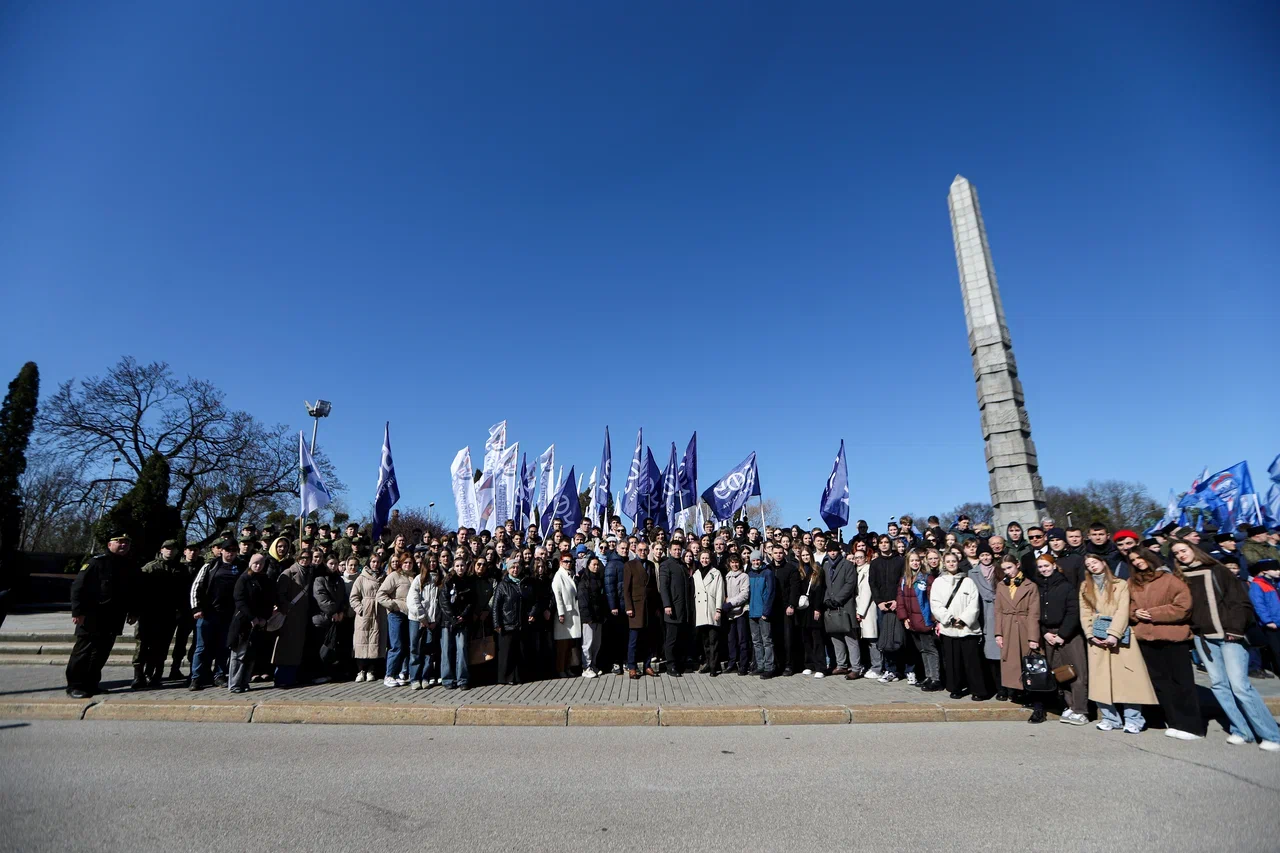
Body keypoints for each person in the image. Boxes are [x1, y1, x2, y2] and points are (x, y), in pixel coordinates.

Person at [1172, 541, 1280, 751]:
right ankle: (1241, 730)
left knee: (1240, 687)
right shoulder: (1180, 577)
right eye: (1176, 553)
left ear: (1194, 549)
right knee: (1219, 686)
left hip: (1230, 635)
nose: (1180, 555)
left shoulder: (1217, 570)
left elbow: (1240, 602)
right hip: (1203, 638)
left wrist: (1235, 629)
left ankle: (1271, 734)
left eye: (1183, 550)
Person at [1126, 548, 1202, 739]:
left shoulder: (1170, 579)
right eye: (1133, 560)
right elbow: (1126, 604)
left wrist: (1152, 613)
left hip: (1172, 637)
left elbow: (1183, 607)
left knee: (1182, 682)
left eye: (1139, 557)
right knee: (1161, 683)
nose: (1137, 562)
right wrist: (1134, 613)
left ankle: (1192, 727)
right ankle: (1174, 722)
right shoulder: (1132, 583)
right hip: (1146, 638)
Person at [1079, 553, 1156, 733]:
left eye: (1094, 562)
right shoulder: (1085, 586)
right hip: (1096, 635)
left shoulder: (1120, 584)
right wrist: (1089, 634)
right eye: (1088, 565)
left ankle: (1134, 719)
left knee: (1128, 679)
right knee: (1100, 680)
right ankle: (1110, 718)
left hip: (1120, 635)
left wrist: (1114, 634)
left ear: (1103, 562)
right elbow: (1084, 612)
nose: (1092, 566)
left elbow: (1123, 610)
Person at [66, 530, 136, 698]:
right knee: (83, 652)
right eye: (119, 541)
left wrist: (133, 611)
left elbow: (132, 592)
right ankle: (74, 686)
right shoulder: (96, 562)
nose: (123, 545)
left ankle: (91, 684)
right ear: (109, 544)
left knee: (101, 653)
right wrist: (78, 611)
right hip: (92, 616)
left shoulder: (128, 565)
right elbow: (78, 587)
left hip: (114, 618)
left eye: (126, 542)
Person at [1034, 554, 1089, 725]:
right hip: (1049, 635)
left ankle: (1081, 710)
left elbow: (1073, 612)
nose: (1044, 569)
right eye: (1040, 567)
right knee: (1060, 672)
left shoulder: (1066, 586)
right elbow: (1037, 614)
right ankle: (1070, 705)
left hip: (1068, 635)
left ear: (1054, 565)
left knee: (1077, 672)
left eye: (1046, 565)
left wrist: (1062, 635)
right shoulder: (1039, 588)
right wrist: (1044, 632)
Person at [931, 549, 986, 700]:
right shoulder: (938, 582)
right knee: (953, 662)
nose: (951, 564)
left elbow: (974, 604)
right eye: (948, 561)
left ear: (958, 562)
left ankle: (978, 690)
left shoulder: (968, 582)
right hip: (949, 628)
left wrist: (963, 619)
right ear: (944, 564)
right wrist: (949, 619)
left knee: (972, 661)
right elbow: (935, 604)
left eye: (953, 561)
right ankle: (955, 688)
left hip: (967, 628)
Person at [132, 538, 185, 689]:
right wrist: (135, 611)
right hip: (148, 613)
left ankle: (155, 674)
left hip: (168, 614)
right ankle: (138, 675)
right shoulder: (150, 567)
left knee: (161, 646)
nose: (170, 551)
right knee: (142, 645)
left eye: (173, 548)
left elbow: (183, 592)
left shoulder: (181, 569)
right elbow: (138, 590)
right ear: (161, 550)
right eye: (167, 548)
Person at [189, 539, 241, 691]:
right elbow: (196, 587)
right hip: (208, 614)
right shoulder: (210, 566)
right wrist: (196, 608)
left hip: (229, 615)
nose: (230, 553)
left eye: (234, 550)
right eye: (228, 550)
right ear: (221, 551)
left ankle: (219, 675)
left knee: (223, 647)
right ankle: (196, 677)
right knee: (201, 647)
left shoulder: (241, 567)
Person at [994, 555, 1041, 714]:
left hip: (1024, 626)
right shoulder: (1001, 586)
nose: (1007, 572)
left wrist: (1033, 637)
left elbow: (1034, 613)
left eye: (1010, 567)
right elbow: (998, 611)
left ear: (1017, 565)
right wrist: (998, 633)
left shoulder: (1030, 586)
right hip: (1008, 627)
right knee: (1011, 661)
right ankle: (1017, 691)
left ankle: (1032, 695)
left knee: (1028, 661)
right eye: (1004, 569)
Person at [227, 553, 275, 693]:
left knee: (251, 655)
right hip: (243, 622)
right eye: (255, 563)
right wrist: (252, 617)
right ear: (250, 564)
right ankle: (235, 684)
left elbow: (269, 601)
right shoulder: (243, 579)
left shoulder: (265, 580)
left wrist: (264, 618)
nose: (258, 566)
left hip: (258, 624)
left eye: (261, 564)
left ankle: (245, 682)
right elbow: (240, 600)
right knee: (239, 655)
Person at [896, 549, 941, 690]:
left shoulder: (927, 578)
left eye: (917, 560)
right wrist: (904, 618)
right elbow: (900, 600)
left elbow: (933, 599)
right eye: (912, 560)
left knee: (930, 649)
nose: (915, 563)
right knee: (922, 649)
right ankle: (928, 676)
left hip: (925, 620)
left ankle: (935, 678)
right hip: (912, 621)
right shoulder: (904, 580)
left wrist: (934, 619)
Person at [271, 545, 314, 688]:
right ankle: (280, 678)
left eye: (308, 558)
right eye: (302, 557)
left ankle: (291, 678)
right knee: (285, 648)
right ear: (297, 558)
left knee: (296, 649)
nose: (305, 560)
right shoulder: (289, 573)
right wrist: (286, 609)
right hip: (289, 616)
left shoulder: (310, 573)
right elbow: (280, 594)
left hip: (301, 616)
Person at [492, 556, 533, 685]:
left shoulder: (523, 583)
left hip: (521, 623)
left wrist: (531, 614)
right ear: (508, 569)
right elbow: (496, 606)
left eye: (517, 567)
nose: (515, 570)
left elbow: (530, 601)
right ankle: (506, 678)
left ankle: (519, 676)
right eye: (512, 567)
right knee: (507, 653)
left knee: (520, 652)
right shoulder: (502, 585)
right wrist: (497, 623)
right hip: (507, 624)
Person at [622, 540, 658, 678]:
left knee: (648, 639)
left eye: (645, 550)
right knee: (634, 640)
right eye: (640, 550)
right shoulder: (629, 565)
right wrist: (629, 607)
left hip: (649, 607)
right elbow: (626, 589)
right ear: (636, 550)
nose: (643, 552)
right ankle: (632, 666)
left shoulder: (651, 565)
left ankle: (647, 665)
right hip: (636, 608)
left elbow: (653, 586)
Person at [377, 552, 413, 687]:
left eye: (410, 563)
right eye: (405, 563)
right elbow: (381, 594)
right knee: (396, 645)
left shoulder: (414, 577)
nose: (408, 565)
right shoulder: (394, 576)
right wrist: (393, 605)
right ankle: (389, 674)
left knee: (406, 645)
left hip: (410, 615)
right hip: (396, 614)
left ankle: (401, 673)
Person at [439, 554, 475, 690]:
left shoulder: (469, 582)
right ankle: (447, 679)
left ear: (466, 567)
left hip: (463, 620)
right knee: (446, 650)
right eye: (458, 566)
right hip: (448, 621)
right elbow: (444, 602)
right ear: (454, 567)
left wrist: (463, 616)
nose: (460, 568)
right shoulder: (447, 581)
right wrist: (453, 617)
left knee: (462, 649)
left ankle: (462, 679)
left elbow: (471, 602)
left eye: (462, 566)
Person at [349, 553, 386, 683]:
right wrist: (360, 609)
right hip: (364, 614)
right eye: (373, 561)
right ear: (369, 563)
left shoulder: (384, 577)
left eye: (378, 562)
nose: (375, 564)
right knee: (362, 641)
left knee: (376, 641)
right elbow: (354, 597)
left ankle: (371, 670)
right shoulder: (361, 578)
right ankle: (361, 670)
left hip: (379, 613)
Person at [406, 554, 440, 689]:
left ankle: (425, 676)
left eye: (434, 561)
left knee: (429, 649)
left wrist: (435, 619)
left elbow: (439, 602)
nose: (432, 564)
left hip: (432, 621)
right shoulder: (418, 579)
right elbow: (413, 599)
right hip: (417, 620)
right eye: (430, 561)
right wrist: (422, 617)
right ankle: (414, 678)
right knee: (415, 648)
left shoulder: (439, 580)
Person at [658, 540, 691, 677]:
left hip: (684, 608)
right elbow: (664, 587)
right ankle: (670, 665)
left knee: (681, 638)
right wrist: (667, 604)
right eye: (675, 549)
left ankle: (679, 663)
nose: (677, 552)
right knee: (671, 639)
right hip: (672, 608)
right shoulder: (666, 565)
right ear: (670, 551)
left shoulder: (682, 565)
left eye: (679, 549)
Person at [692, 549, 726, 676]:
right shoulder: (696, 574)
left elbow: (720, 592)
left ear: (710, 559)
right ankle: (708, 663)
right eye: (702, 558)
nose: (704, 560)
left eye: (707, 558)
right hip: (701, 611)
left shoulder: (716, 573)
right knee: (705, 642)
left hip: (712, 609)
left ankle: (713, 666)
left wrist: (718, 610)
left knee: (713, 641)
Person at [794, 545, 825, 677]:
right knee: (806, 638)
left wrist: (817, 608)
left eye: (807, 555)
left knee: (817, 638)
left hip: (814, 607)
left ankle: (820, 667)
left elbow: (820, 590)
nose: (805, 557)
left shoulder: (817, 570)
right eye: (803, 555)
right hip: (803, 609)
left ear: (811, 556)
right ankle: (809, 664)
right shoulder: (799, 571)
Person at [576, 554, 609, 678]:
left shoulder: (599, 579)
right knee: (587, 643)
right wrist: (587, 617)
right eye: (594, 565)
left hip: (598, 616)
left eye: (597, 565)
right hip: (589, 618)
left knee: (596, 643)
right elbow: (583, 600)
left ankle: (594, 664)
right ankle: (586, 666)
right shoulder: (584, 580)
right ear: (588, 565)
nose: (596, 567)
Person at [747, 550, 776, 679]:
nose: (756, 562)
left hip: (763, 612)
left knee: (767, 641)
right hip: (752, 612)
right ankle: (760, 665)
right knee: (756, 641)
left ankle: (769, 667)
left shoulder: (768, 573)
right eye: (753, 560)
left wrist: (766, 611)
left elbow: (771, 593)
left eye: (758, 560)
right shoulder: (749, 574)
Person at [1249, 559, 1280, 676]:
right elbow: (1258, 605)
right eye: (1274, 569)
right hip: (1272, 623)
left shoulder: (1277, 582)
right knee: (1277, 650)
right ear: (1265, 570)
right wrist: (1268, 621)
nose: (1278, 571)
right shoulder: (1258, 584)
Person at [721, 553, 751, 676]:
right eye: (732, 562)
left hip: (741, 611)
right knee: (731, 640)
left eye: (736, 562)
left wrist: (730, 603)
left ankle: (744, 665)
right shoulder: (727, 576)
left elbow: (744, 594)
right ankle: (732, 663)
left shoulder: (744, 576)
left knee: (742, 639)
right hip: (730, 613)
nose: (734, 565)